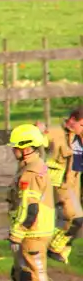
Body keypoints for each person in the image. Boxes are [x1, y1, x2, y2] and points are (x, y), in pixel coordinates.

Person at [6, 124, 56, 281]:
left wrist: (17, 232)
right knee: (21, 271)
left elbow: (30, 208)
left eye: (16, 147)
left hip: (33, 232)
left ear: (26, 148)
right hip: (31, 230)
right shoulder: (31, 167)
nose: (13, 151)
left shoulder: (31, 173)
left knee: (34, 271)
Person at [44, 107, 83, 263]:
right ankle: (54, 248)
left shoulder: (79, 137)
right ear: (72, 120)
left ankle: (58, 250)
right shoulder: (55, 132)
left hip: (73, 185)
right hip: (58, 184)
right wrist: (38, 131)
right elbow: (39, 142)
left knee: (72, 221)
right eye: (82, 124)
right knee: (76, 219)